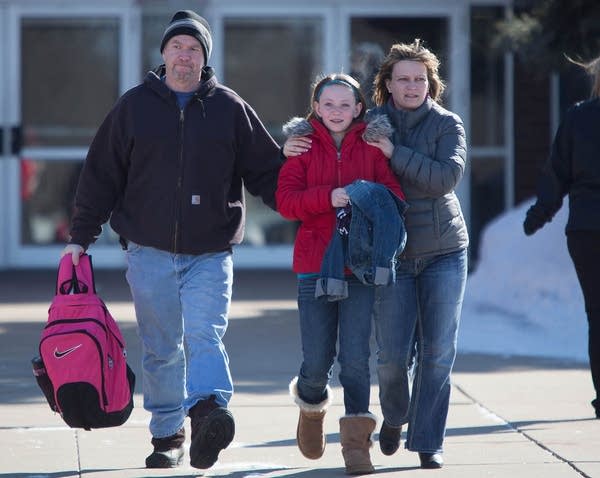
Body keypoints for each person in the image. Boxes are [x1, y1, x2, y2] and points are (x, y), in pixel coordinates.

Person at [61, 10, 282, 470]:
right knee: (161, 347)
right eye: (177, 48)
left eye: (194, 49)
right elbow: (100, 175)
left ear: (205, 58)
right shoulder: (134, 106)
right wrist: (80, 236)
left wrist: (311, 204)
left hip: (210, 251)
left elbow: (270, 173)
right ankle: (168, 435)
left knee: (205, 333)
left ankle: (206, 414)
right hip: (148, 251)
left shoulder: (229, 107)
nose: (185, 56)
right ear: (163, 55)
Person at [283, 39, 469, 469]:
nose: (411, 86)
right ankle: (394, 417)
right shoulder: (371, 122)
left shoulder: (446, 125)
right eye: (402, 78)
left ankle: (424, 443)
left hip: (441, 248)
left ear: (431, 84)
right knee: (390, 359)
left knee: (436, 351)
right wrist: (289, 145)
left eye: (419, 79)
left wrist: (392, 154)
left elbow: (445, 177)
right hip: (390, 258)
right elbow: (331, 136)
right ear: (386, 84)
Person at [276, 73, 406, 475]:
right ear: (315, 107)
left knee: (354, 359)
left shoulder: (371, 146)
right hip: (315, 266)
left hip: (359, 266)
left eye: (345, 105)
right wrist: (328, 198)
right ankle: (311, 408)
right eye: (328, 104)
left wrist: (367, 195)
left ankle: (355, 446)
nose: (336, 112)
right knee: (316, 361)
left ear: (358, 109)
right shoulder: (301, 146)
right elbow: (285, 202)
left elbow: (394, 198)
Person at [523, 54, 600, 420]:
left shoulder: (578, 117)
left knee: (597, 315)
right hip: (587, 227)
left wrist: (539, 215)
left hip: (587, 229)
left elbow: (557, 173)